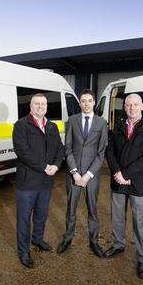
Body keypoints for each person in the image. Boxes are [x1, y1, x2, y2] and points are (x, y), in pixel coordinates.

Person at [104, 93, 143, 279]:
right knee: (117, 216)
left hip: (137, 182)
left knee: (140, 222)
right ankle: (118, 245)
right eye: (128, 105)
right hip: (118, 180)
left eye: (135, 105)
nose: (132, 108)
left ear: (142, 106)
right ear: (124, 106)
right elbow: (110, 151)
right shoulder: (118, 125)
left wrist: (126, 174)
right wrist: (117, 173)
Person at [12, 93, 65, 269]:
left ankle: (38, 240)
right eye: (37, 103)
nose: (40, 106)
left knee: (41, 215)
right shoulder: (21, 125)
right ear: (31, 106)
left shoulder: (51, 126)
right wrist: (44, 166)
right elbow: (22, 151)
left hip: (46, 181)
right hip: (27, 182)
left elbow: (60, 148)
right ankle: (23, 251)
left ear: (47, 107)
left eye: (43, 104)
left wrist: (56, 166)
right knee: (24, 219)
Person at [57, 89, 108, 258]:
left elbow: (101, 153)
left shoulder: (102, 123)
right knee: (71, 208)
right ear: (79, 103)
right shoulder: (71, 121)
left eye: (89, 100)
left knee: (92, 209)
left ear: (94, 102)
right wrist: (75, 173)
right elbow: (68, 148)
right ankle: (68, 238)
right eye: (83, 101)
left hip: (91, 177)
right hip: (74, 174)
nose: (86, 103)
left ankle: (93, 241)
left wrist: (88, 175)